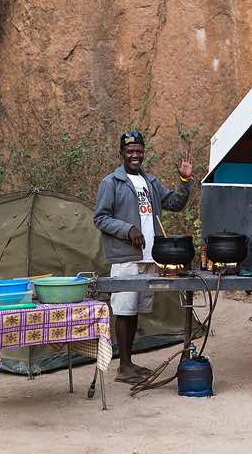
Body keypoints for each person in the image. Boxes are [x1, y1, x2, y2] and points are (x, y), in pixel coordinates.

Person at [94, 130, 192, 384]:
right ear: (122, 153)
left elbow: (174, 203)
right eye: (130, 151)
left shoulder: (150, 182)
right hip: (126, 257)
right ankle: (123, 367)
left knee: (134, 310)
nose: (134, 155)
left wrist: (185, 179)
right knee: (124, 310)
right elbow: (101, 218)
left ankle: (128, 363)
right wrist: (128, 230)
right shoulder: (111, 183)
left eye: (138, 151)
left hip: (150, 256)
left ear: (143, 152)